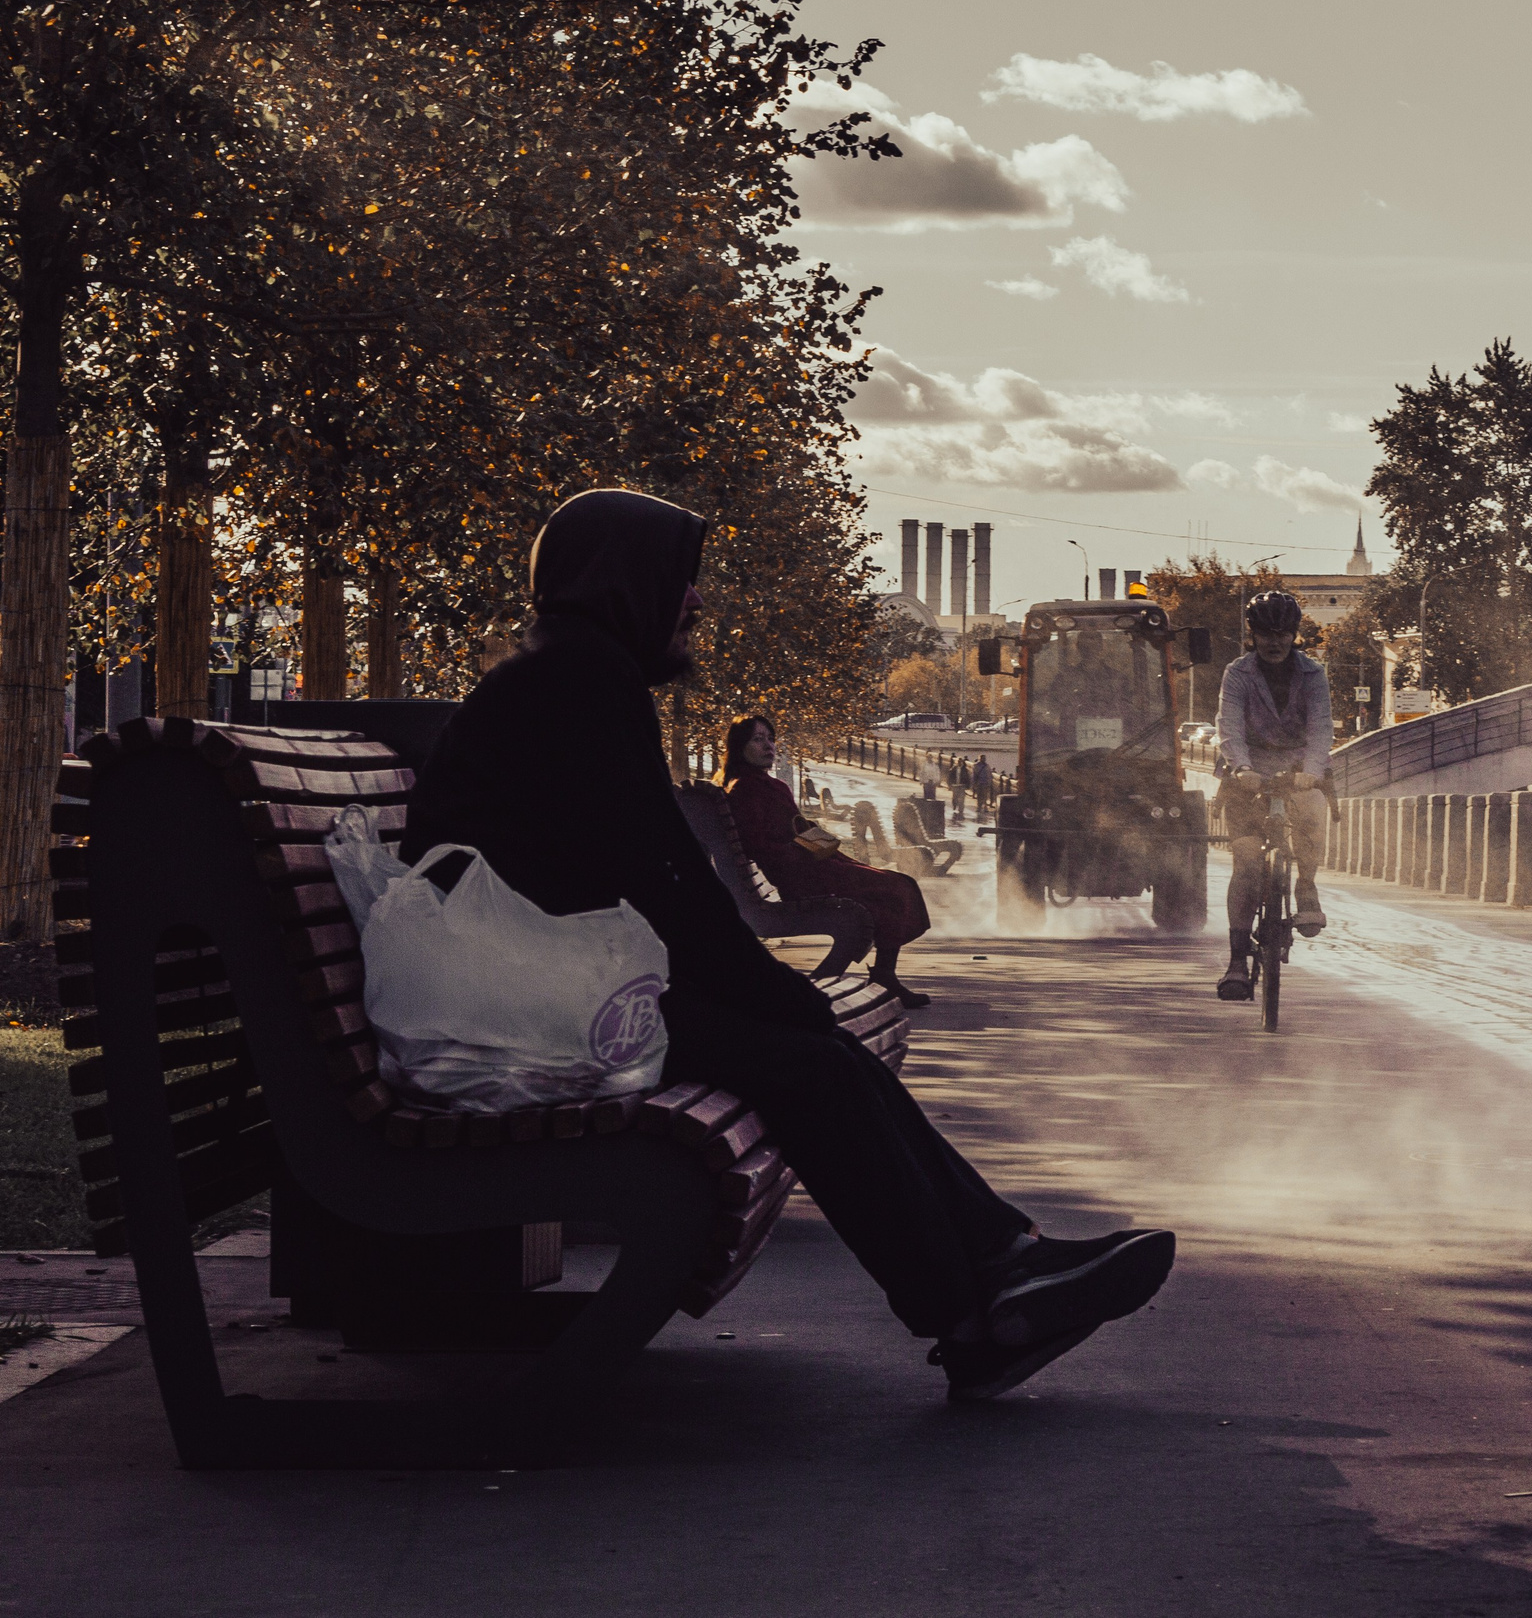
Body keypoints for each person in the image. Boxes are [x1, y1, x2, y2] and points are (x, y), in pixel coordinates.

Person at [403, 488, 1174, 1400]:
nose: (695, 601)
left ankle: (1004, 1263)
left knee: (821, 1054)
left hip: (542, 991)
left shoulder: (565, 676)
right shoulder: (579, 685)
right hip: (525, 1016)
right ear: (623, 583)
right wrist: (777, 993)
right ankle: (981, 1301)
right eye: (679, 580)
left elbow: (647, 881)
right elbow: (667, 883)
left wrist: (775, 995)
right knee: (812, 1064)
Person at [719, 713, 934, 1009]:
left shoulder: (767, 785)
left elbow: (792, 826)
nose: (768, 745)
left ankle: (885, 974)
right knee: (896, 887)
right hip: (802, 877)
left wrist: (819, 841)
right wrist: (803, 849)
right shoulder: (746, 789)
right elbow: (760, 846)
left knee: (900, 883)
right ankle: (885, 975)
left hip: (813, 868)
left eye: (770, 738)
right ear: (740, 746)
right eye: (758, 739)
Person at [1214, 589, 1332, 1001]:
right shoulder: (1237, 673)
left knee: (1313, 808)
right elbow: (1228, 726)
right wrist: (1241, 768)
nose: (1275, 642)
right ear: (1253, 635)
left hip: (1299, 770)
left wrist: (1312, 771)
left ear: (1295, 634)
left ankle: (1306, 885)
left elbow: (1321, 727)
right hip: (1246, 772)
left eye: (1283, 633)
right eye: (1266, 633)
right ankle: (1236, 961)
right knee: (1247, 860)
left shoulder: (1313, 674)